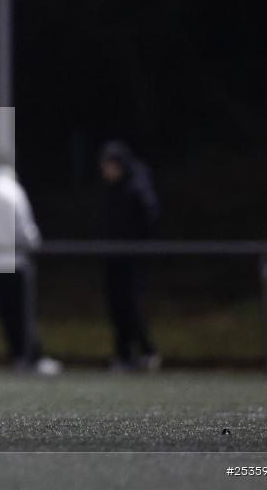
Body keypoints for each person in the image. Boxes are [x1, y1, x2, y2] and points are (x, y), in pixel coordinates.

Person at [0, 152, 62, 376]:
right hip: (15, 260)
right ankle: (30, 356)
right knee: (21, 310)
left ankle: (18, 355)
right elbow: (25, 227)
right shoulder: (12, 189)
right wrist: (33, 244)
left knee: (6, 310)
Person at [98, 140, 161, 371]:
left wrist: (136, 242)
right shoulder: (114, 188)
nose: (104, 170)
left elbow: (149, 215)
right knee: (118, 305)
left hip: (130, 256)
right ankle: (125, 354)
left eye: (108, 165)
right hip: (115, 254)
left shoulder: (136, 186)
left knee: (130, 305)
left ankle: (145, 352)